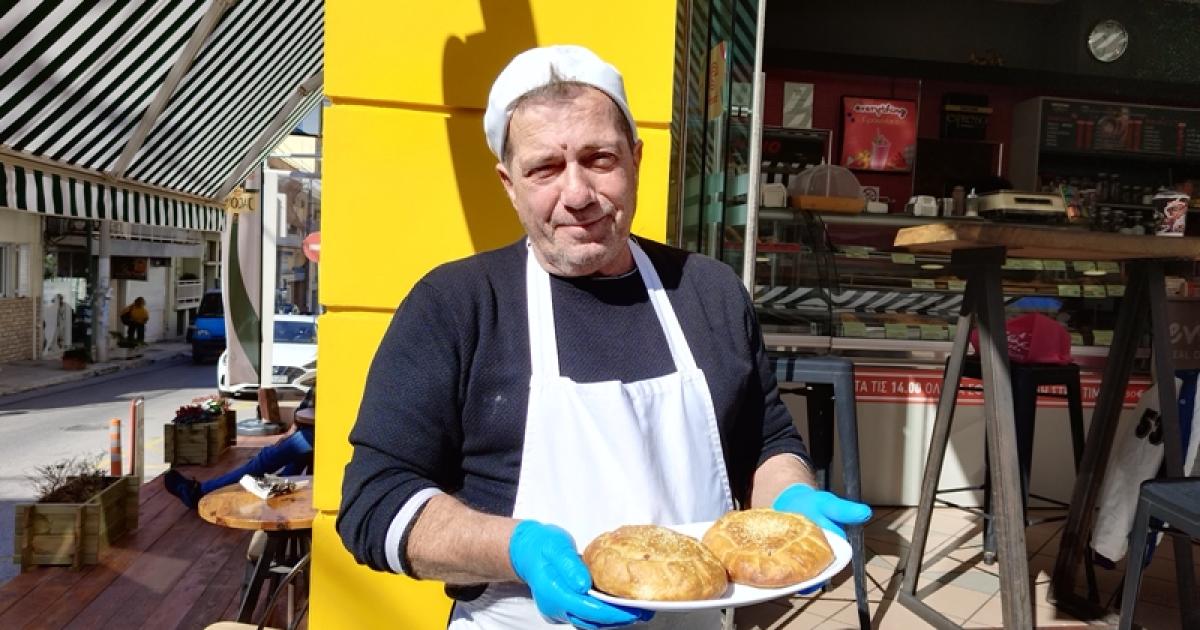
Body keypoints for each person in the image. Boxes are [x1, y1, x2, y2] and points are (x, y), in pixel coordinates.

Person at [336, 45, 871, 630]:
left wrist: (789, 500)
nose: (577, 194)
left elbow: (764, 443)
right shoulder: (457, 305)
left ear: (635, 160)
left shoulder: (709, 291)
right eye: (544, 168)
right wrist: (515, 550)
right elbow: (375, 501)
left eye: (599, 159)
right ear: (509, 183)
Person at [164, 383, 316, 509]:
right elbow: (306, 408)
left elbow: (307, 409)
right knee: (293, 458)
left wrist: (291, 433)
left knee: (268, 458)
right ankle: (279, 493)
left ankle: (200, 492)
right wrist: (290, 433)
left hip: (317, 435)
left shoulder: (327, 375)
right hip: (315, 434)